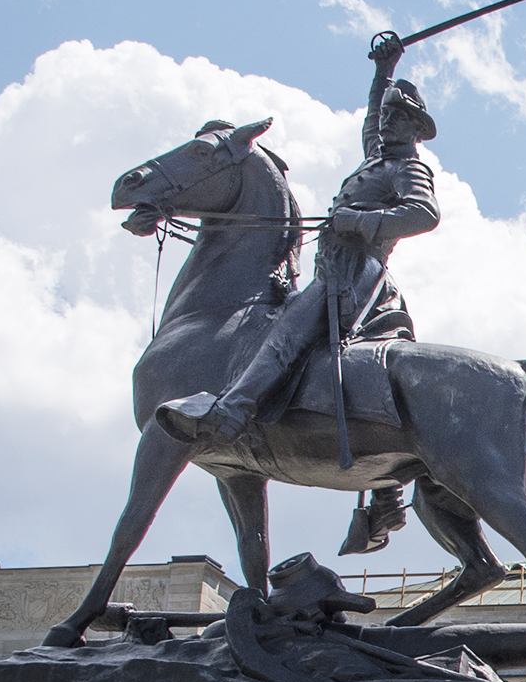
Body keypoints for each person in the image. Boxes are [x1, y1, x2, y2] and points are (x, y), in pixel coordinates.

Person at [159, 32, 438, 442]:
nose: (387, 120)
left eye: (397, 117)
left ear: (415, 128)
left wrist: (356, 222)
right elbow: (371, 116)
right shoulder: (377, 158)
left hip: (358, 271)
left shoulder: (407, 168)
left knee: (288, 330)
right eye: (388, 114)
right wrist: (384, 68)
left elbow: (423, 213)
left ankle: (234, 410)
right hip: (335, 266)